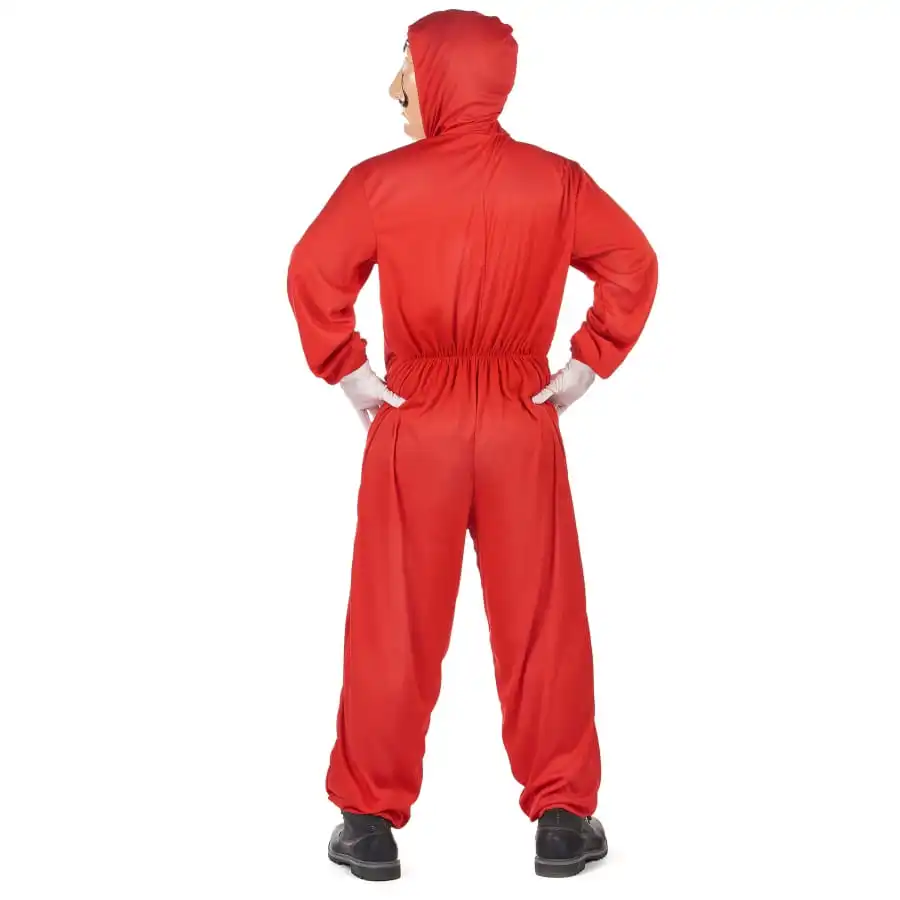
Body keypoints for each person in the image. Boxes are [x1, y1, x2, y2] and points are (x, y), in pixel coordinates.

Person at [286, 9, 658, 881]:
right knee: (542, 614)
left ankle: (367, 822)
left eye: (407, 70)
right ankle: (563, 817)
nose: (394, 90)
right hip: (521, 414)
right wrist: (585, 365)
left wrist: (349, 370)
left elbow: (312, 269)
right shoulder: (556, 182)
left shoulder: (379, 184)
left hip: (416, 414)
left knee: (394, 615)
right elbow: (632, 261)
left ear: (444, 78)